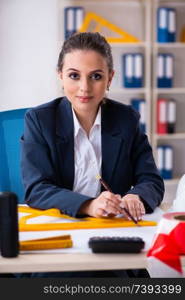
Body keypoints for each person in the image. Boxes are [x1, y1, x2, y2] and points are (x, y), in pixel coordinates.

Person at [20, 32, 164, 277]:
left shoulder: (126, 119)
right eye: (74, 76)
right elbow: (36, 188)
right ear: (61, 77)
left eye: (96, 76)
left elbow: (151, 180)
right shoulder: (40, 120)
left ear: (110, 78)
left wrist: (135, 197)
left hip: (111, 240)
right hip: (59, 242)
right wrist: (88, 205)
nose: (84, 87)